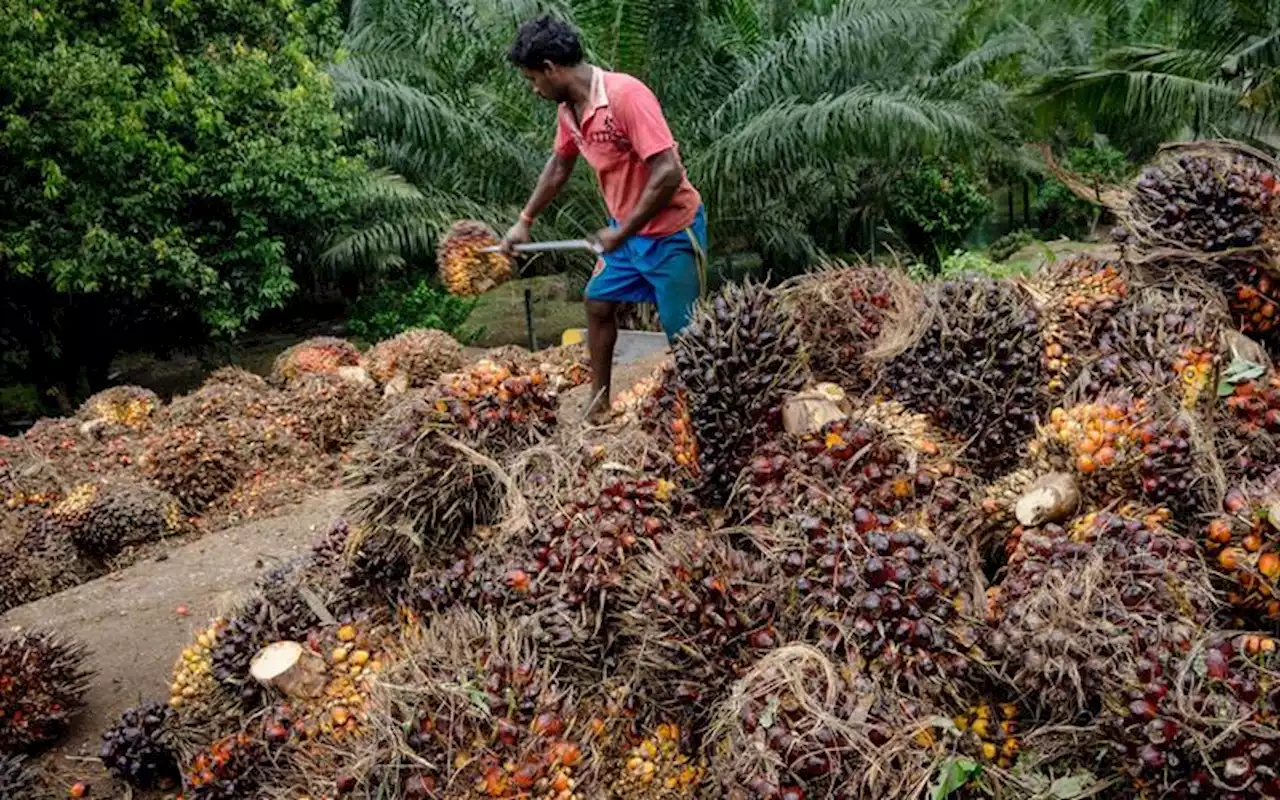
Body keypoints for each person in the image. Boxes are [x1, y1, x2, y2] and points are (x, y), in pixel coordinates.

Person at [500, 15, 707, 423]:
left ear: (549, 68)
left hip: (670, 234)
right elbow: (559, 166)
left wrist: (622, 230)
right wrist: (524, 221)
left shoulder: (626, 95)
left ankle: (701, 418)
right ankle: (600, 403)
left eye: (532, 79)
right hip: (625, 236)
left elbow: (667, 172)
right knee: (597, 302)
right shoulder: (569, 111)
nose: (533, 88)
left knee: (684, 334)